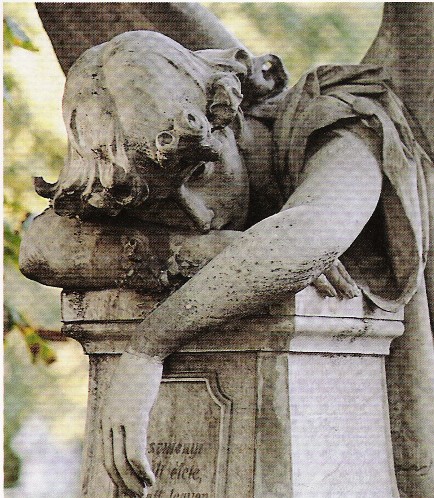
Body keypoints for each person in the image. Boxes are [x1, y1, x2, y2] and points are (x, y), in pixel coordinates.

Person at [36, 31, 430, 496]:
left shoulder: (341, 125)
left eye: (199, 173)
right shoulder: (150, 169)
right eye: (164, 202)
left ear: (226, 117)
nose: (196, 215)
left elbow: (309, 235)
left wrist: (147, 350)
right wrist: (201, 250)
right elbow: (40, 248)